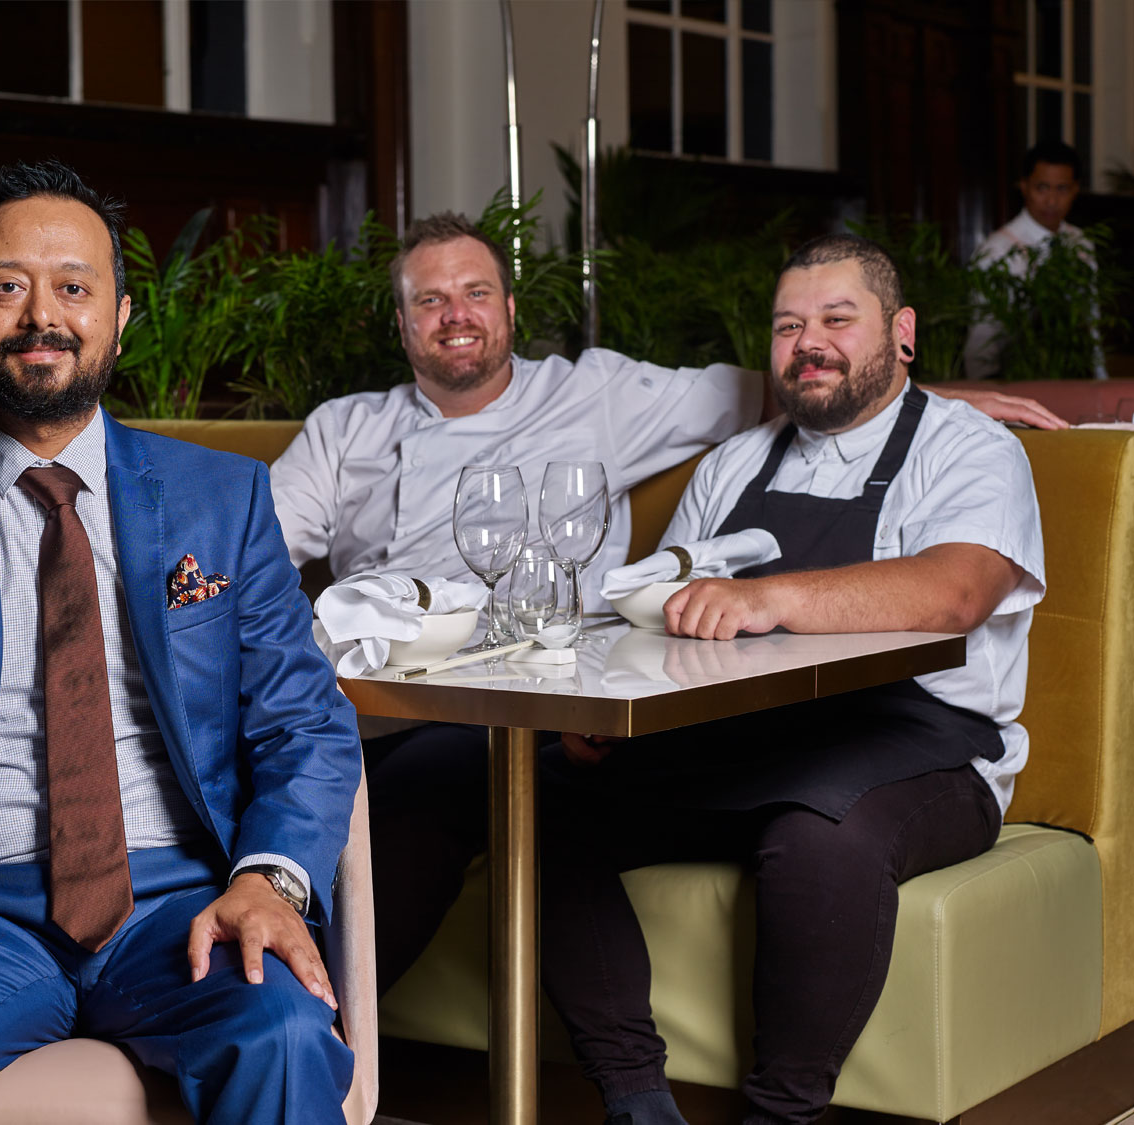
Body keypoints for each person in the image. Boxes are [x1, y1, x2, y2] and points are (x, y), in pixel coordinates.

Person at [268, 212, 1062, 993]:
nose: (456, 316)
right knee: (292, 785)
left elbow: (805, 381)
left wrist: (914, 392)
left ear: (511, 310)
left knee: (434, 798)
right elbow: (255, 551)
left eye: (476, 292)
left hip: (504, 706)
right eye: (430, 302)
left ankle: (312, 1048)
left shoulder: (601, 395)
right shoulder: (343, 429)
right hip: (355, 703)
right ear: (401, 324)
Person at [0, 159, 361, 1125]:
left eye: (74, 287)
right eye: (8, 286)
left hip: (183, 900)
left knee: (284, 1032)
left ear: (121, 314)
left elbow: (304, 723)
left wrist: (270, 878)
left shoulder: (225, 499)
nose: (41, 315)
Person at [539, 234, 1044, 1125]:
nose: (809, 342)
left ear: (903, 333)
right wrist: (609, 709)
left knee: (819, 831)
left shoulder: (972, 448)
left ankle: (783, 1115)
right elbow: (664, 609)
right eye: (787, 325)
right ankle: (634, 1095)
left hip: (929, 749)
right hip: (740, 739)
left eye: (838, 320)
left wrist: (766, 596)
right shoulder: (734, 464)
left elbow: (955, 590)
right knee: (531, 801)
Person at [963, 140, 1104, 378]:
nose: (1051, 201)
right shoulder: (998, 249)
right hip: (1016, 379)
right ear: (1024, 186)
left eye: (1062, 189)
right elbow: (982, 337)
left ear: (1075, 190)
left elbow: (1091, 322)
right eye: (1042, 188)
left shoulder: (1081, 244)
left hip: (1074, 378)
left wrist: (1100, 379)